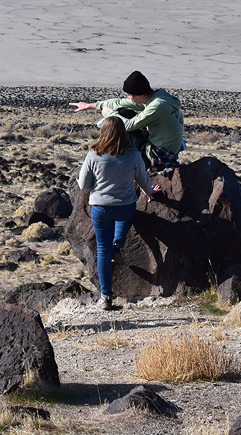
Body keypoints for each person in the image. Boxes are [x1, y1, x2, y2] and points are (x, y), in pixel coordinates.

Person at [78, 115, 152, 311]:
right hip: (125, 206)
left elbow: (84, 184)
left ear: (104, 131)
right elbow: (143, 179)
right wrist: (150, 193)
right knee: (126, 215)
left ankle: (106, 298)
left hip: (100, 208)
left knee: (103, 251)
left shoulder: (94, 154)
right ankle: (118, 243)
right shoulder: (133, 154)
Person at [69, 70, 184, 181]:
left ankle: (121, 159)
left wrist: (110, 114)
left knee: (123, 116)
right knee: (124, 111)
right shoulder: (160, 98)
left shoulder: (157, 106)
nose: (127, 97)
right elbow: (119, 103)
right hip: (166, 146)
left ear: (137, 94)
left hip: (159, 154)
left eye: (128, 95)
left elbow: (128, 126)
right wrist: (90, 105)